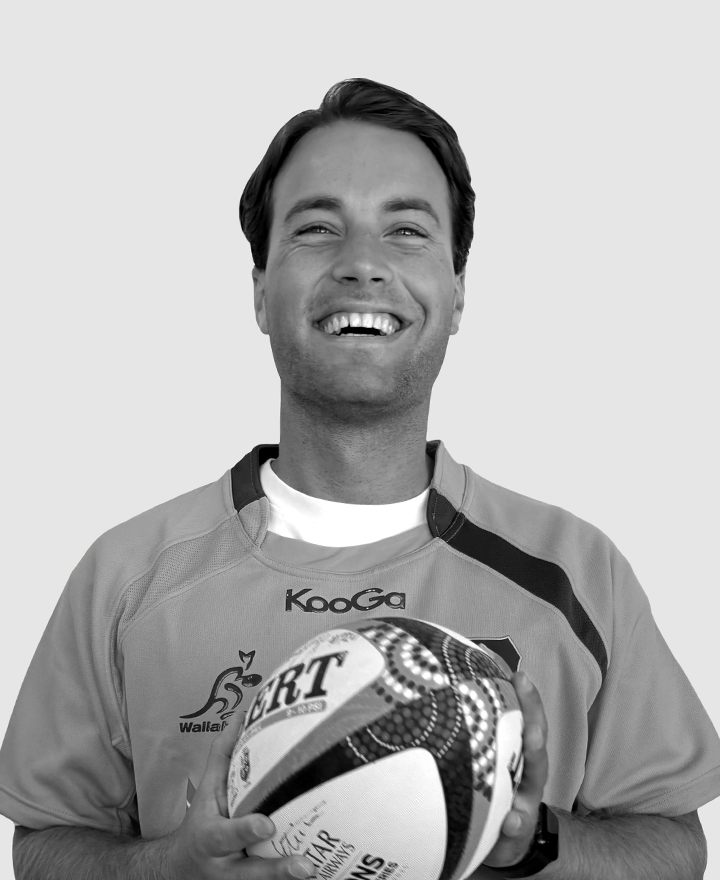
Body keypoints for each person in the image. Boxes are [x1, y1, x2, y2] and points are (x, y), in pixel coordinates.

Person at [1, 78, 717, 880]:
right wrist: (166, 869)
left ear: (457, 296)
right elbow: (45, 844)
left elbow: (674, 845)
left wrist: (533, 843)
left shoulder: (576, 572)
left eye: (406, 230)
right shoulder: (126, 578)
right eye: (317, 229)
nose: (363, 265)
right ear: (260, 293)